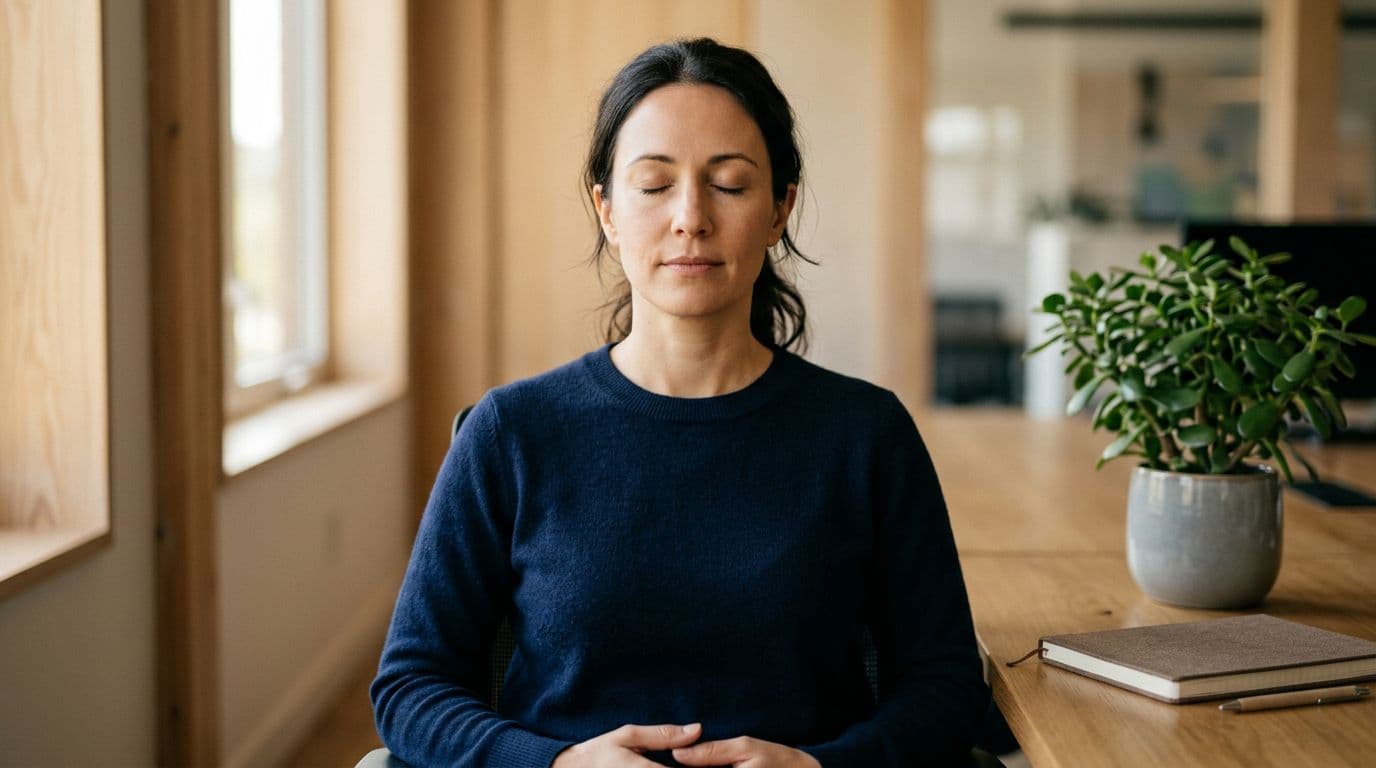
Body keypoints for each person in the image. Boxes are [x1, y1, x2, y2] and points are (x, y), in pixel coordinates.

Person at [371, 38, 990, 767]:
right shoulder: (511, 432)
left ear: (779, 207)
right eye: (654, 185)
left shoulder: (866, 435)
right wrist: (554, 763)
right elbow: (410, 688)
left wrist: (827, 767)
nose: (690, 217)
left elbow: (947, 685)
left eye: (729, 184)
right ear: (606, 209)